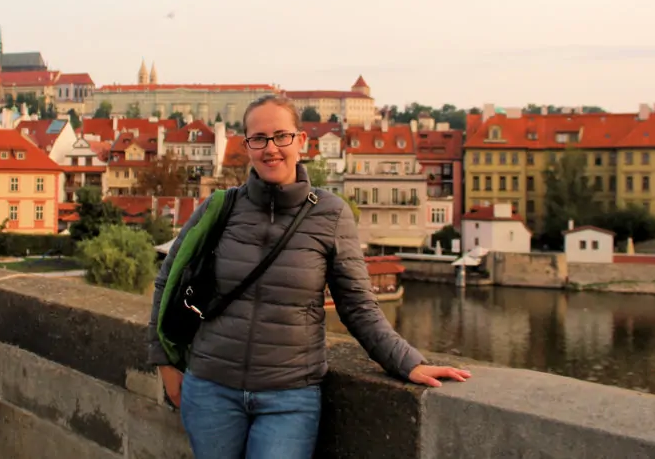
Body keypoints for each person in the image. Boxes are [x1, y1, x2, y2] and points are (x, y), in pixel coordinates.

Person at [146, 96, 470, 459]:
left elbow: (357, 305)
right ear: (247, 145)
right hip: (210, 388)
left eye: (281, 136)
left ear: (302, 142)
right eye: (259, 138)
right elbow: (168, 281)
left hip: (288, 397)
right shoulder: (220, 206)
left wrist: (408, 361)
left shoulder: (332, 214)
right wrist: (164, 360)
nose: (271, 149)